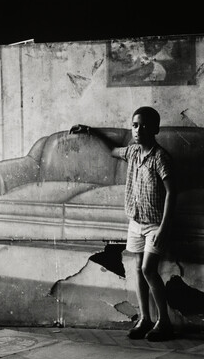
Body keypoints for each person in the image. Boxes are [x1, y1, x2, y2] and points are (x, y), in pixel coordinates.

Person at [70, 106, 177, 341]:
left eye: (145, 126)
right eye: (135, 125)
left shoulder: (160, 157)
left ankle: (164, 321)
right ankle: (145, 319)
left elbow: (172, 193)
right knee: (138, 269)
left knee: (150, 269)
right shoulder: (133, 153)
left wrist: (163, 228)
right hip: (136, 221)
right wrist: (91, 131)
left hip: (155, 225)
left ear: (155, 129)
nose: (139, 130)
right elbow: (112, 150)